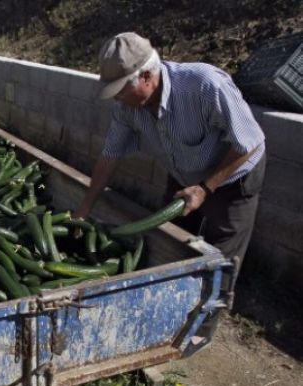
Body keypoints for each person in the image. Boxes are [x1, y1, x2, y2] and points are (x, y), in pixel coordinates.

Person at [75, 32, 266, 287]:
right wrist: (84, 209)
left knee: (219, 259)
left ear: (146, 76)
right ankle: (175, 296)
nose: (117, 98)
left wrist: (205, 188)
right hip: (184, 172)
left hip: (233, 173)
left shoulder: (203, 86)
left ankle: (205, 320)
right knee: (173, 240)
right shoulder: (127, 108)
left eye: (121, 90)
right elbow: (110, 155)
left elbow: (249, 142)